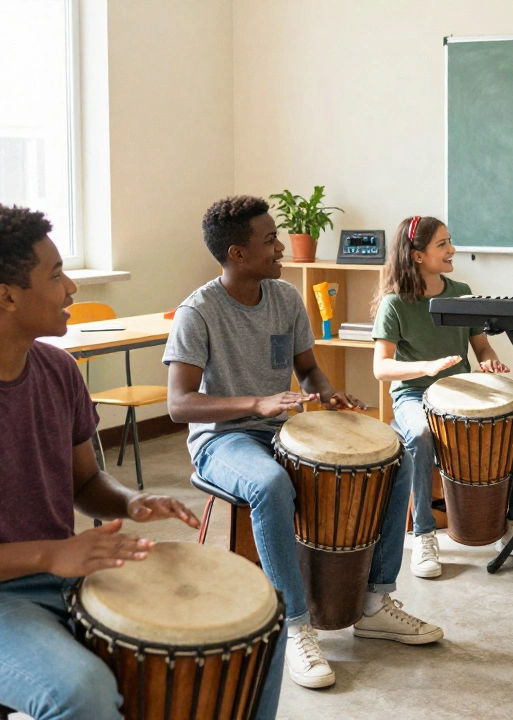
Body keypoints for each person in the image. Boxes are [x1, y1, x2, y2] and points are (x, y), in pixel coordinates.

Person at [0, 205, 210, 720]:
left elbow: (85, 482)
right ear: (6, 296)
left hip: (63, 577)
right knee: (80, 691)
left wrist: (131, 500)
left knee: (234, 634)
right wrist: (50, 555)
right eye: (55, 275)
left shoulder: (58, 370)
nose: (71, 287)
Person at [166, 196, 443, 692]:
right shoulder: (199, 311)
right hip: (222, 440)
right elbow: (180, 405)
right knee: (271, 485)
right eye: (269, 240)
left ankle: (376, 603)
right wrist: (256, 405)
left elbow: (308, 368)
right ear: (237, 254)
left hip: (282, 431)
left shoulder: (286, 298)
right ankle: (295, 627)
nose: (280, 247)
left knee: (392, 459)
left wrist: (327, 391)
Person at [371, 215, 513, 579]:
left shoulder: (461, 293)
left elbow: (483, 347)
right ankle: (423, 535)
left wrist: (490, 364)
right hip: (414, 396)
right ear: (418, 255)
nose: (452, 249)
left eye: (449, 241)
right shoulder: (395, 304)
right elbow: (382, 368)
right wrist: (427, 367)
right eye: (442, 244)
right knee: (422, 435)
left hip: (460, 393)